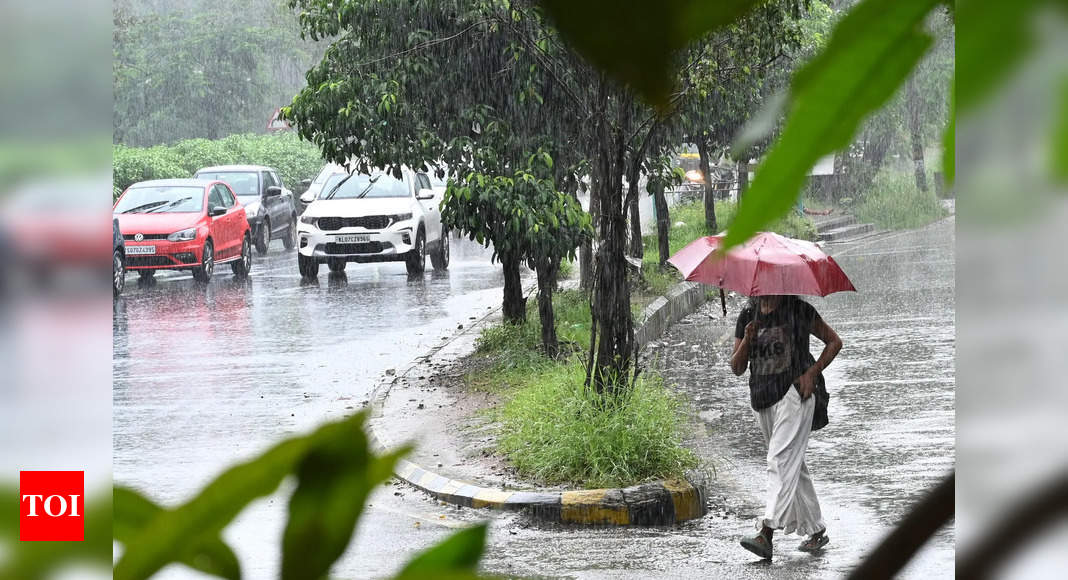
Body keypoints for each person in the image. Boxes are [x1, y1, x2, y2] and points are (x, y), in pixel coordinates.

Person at [730, 294, 843, 559]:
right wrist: (747, 339)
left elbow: (834, 342)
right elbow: (736, 367)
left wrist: (811, 374)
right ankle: (816, 530)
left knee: (779, 460)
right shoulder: (748, 315)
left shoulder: (799, 310)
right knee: (792, 465)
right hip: (762, 399)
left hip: (796, 394)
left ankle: (766, 532)